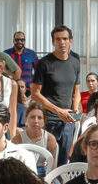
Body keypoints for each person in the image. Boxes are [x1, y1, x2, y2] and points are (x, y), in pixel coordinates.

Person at [31, 25, 82, 166]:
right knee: (46, 160)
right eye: (58, 39)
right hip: (49, 120)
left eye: (65, 39)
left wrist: (74, 110)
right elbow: (35, 94)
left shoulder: (75, 62)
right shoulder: (44, 63)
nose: (62, 42)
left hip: (68, 121)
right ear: (53, 42)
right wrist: (58, 111)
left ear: (71, 41)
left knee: (63, 162)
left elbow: (76, 89)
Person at [12, 102, 59, 175]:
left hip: (43, 173)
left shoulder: (50, 139)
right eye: (32, 117)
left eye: (39, 118)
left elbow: (52, 166)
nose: (36, 121)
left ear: (44, 121)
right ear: (26, 120)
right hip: (22, 172)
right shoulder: (17, 139)